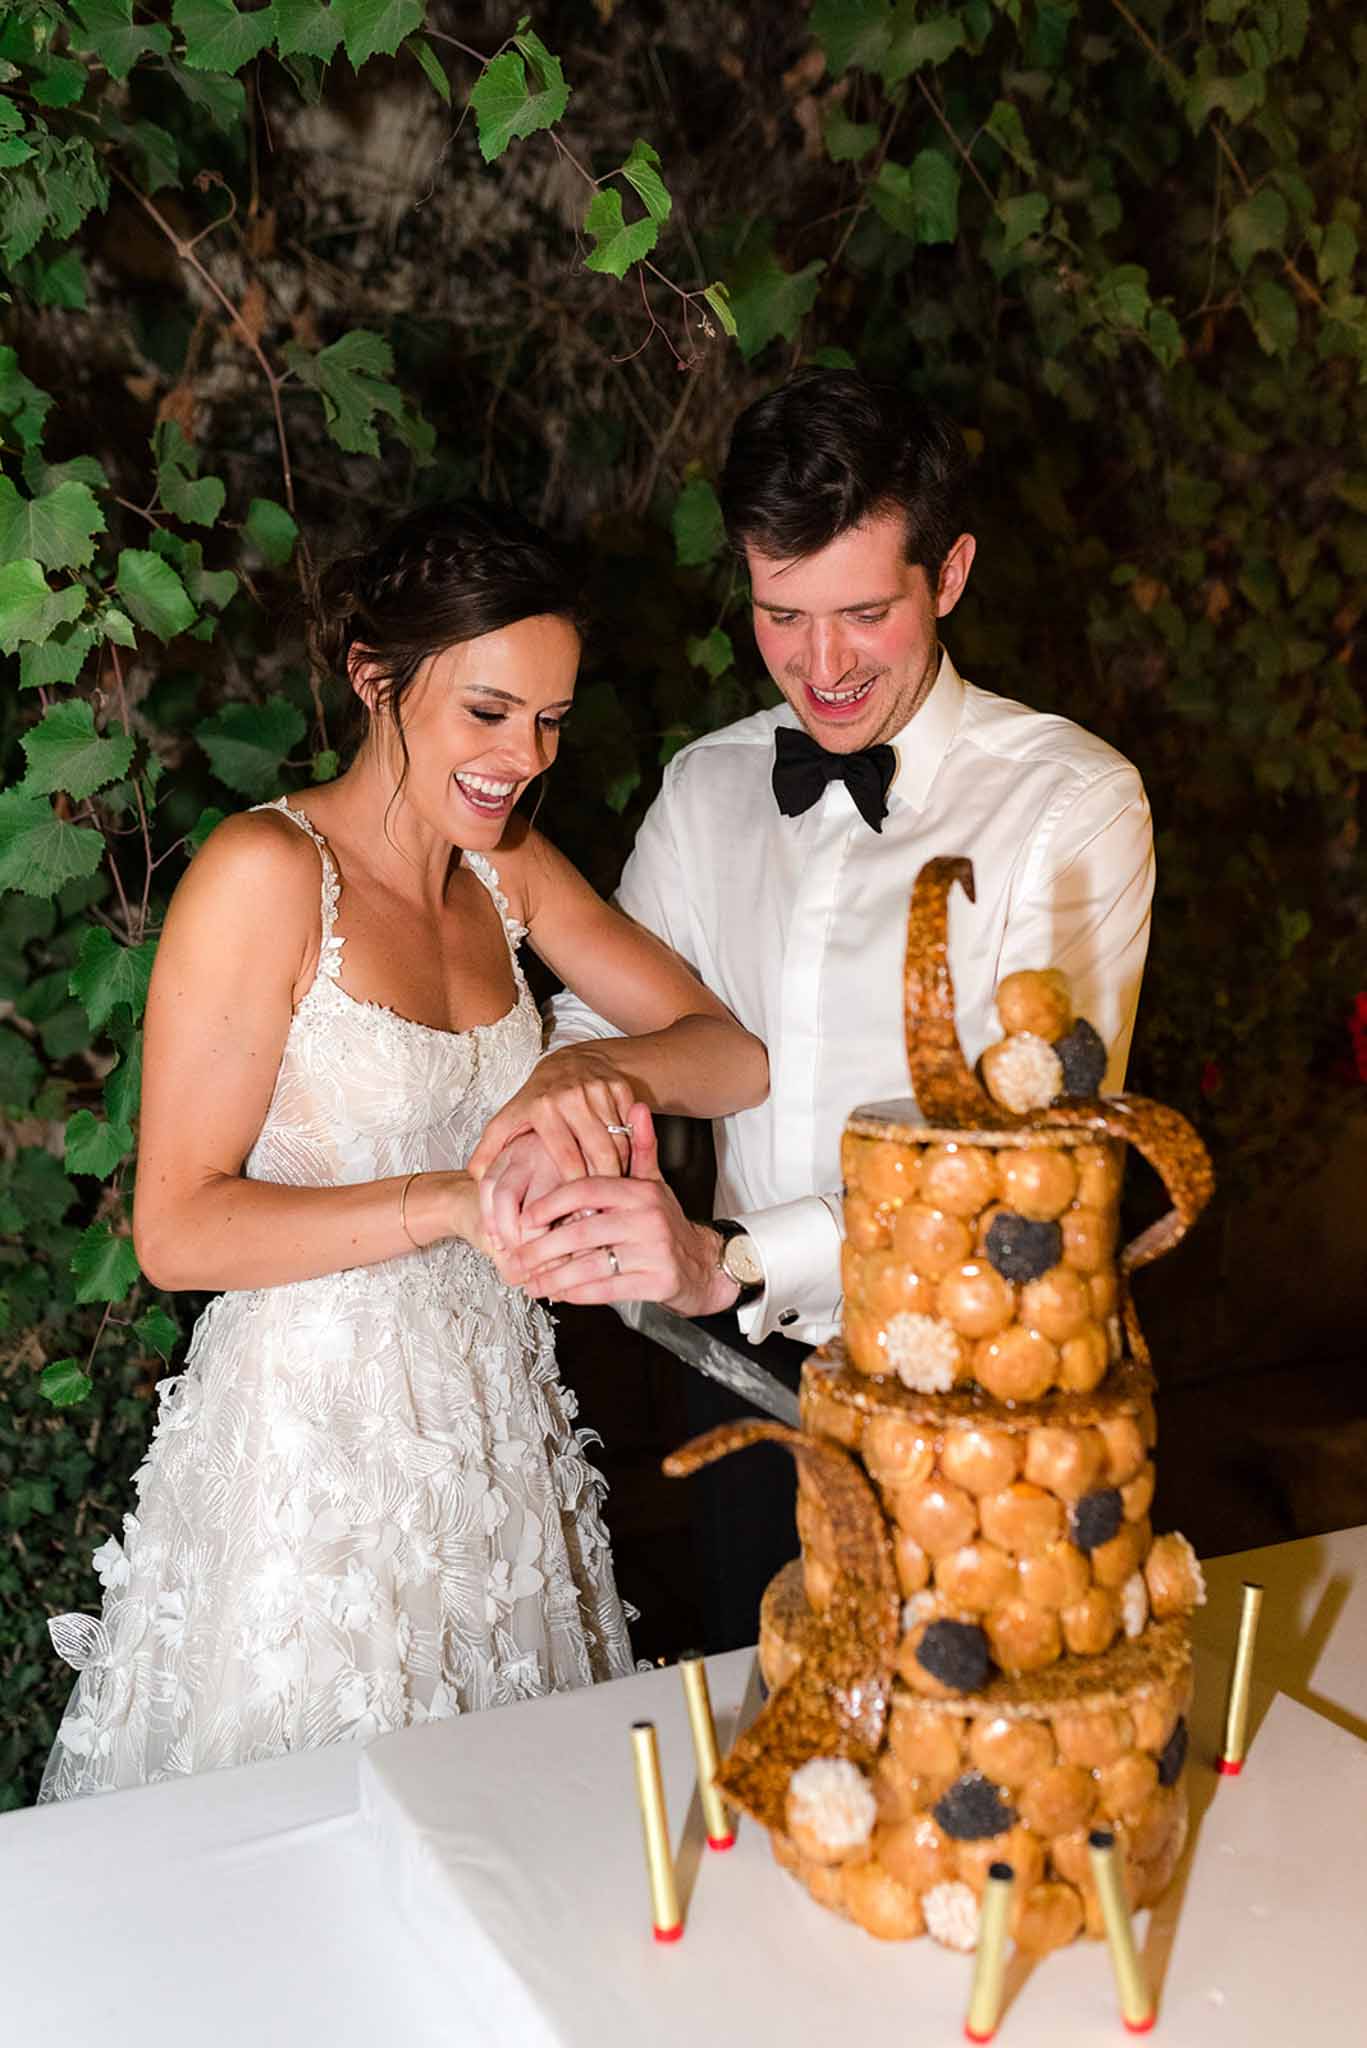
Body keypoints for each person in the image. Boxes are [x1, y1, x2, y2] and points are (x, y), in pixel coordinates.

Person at [39, 500, 767, 1799]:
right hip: (311, 1457)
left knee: (518, 1834)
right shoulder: (265, 872)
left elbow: (729, 1053)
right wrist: (444, 1200)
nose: (520, 757)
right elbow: (177, 1231)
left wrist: (585, 1063)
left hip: (499, 1435)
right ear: (375, 678)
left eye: (547, 719)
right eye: (486, 712)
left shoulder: (507, 872)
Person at [471, 370, 1155, 1650]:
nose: (821, 665)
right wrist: (560, 1122)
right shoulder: (706, 786)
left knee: (978, 1786)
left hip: (977, 1386)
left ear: (947, 574)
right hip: (735, 1384)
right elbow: (601, 1027)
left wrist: (725, 1253)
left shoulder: (1070, 804)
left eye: (861, 612)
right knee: (771, 1761)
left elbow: (1028, 1171)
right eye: (781, 614)